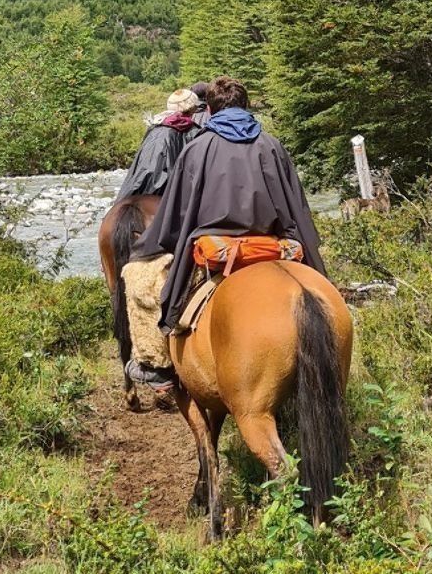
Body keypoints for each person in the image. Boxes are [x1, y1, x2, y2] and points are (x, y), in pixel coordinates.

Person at [126, 76, 325, 389]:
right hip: (270, 246)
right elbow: (295, 208)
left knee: (139, 276)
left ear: (210, 109)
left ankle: (158, 367)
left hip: (215, 249)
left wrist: (151, 246)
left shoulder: (197, 149)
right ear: (245, 106)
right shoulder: (272, 146)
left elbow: (176, 214)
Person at [114, 89, 202, 203]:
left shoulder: (155, 128)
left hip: (140, 185)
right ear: (192, 109)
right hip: (169, 191)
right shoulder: (192, 131)